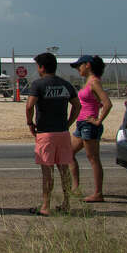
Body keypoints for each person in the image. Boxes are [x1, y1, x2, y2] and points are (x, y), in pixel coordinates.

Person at [25, 51, 81, 215]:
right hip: (63, 133)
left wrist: (30, 123)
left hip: (45, 133)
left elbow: (29, 106)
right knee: (64, 169)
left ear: (42, 67)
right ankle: (66, 203)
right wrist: (69, 123)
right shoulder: (65, 84)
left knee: (47, 171)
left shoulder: (38, 85)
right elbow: (77, 106)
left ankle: (46, 206)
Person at [69, 54, 112, 202]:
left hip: (89, 125)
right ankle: (75, 188)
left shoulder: (94, 82)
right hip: (81, 124)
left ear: (87, 65)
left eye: (79, 66)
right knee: (69, 154)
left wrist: (98, 120)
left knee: (93, 158)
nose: (77, 69)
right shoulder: (88, 81)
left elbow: (107, 103)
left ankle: (98, 193)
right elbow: (96, 102)